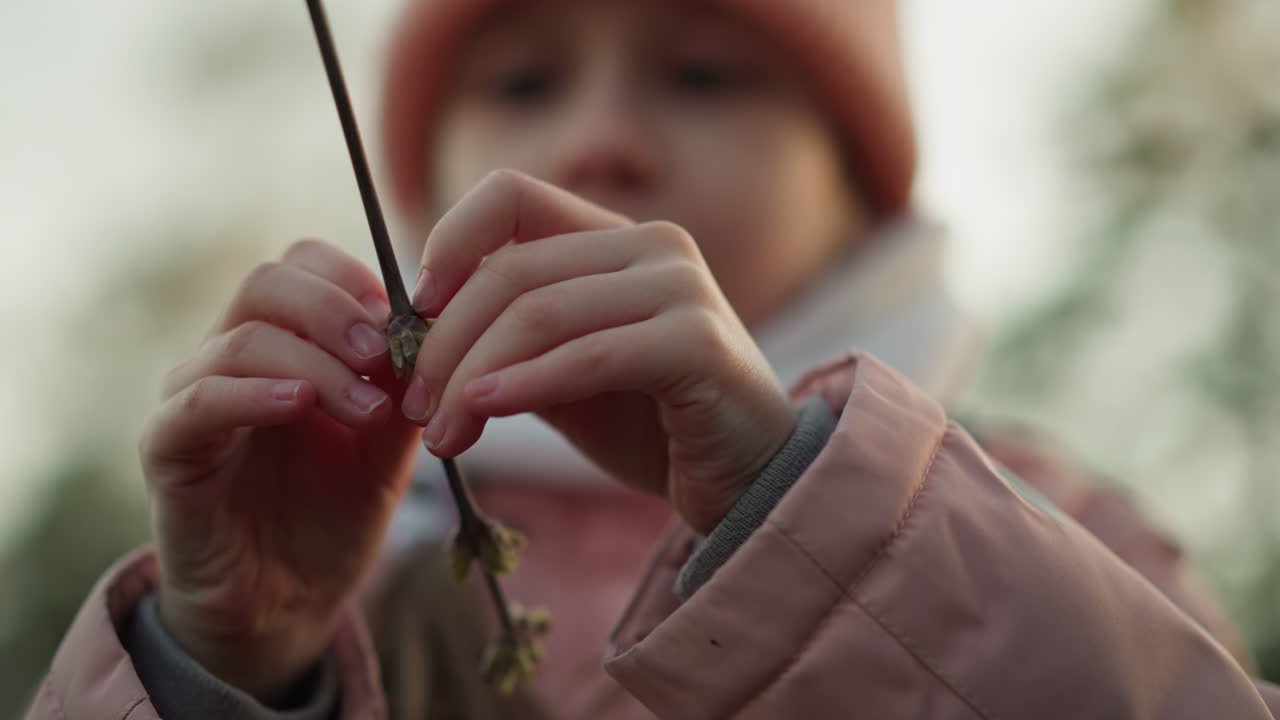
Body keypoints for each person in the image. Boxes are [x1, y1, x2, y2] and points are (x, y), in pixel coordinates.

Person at [25, 0, 1280, 718]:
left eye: (698, 73)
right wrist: (227, 664)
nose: (602, 140)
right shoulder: (341, 570)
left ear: (859, 197)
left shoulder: (1052, 531)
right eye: (523, 81)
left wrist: (809, 517)